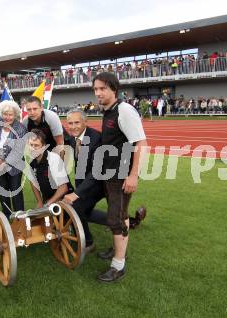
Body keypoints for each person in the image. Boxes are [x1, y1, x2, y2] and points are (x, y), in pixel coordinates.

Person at [63, 108, 146, 252]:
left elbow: (96, 172)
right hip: (91, 181)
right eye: (70, 123)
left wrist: (77, 194)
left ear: (85, 122)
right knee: (84, 211)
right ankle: (131, 222)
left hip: (104, 181)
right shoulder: (73, 138)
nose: (73, 126)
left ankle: (88, 243)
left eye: (77, 122)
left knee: (76, 208)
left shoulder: (95, 139)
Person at [92, 72, 147, 282]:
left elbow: (141, 144)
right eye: (96, 89)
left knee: (115, 219)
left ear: (113, 89)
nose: (98, 93)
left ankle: (118, 265)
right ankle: (117, 249)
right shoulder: (108, 110)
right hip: (110, 174)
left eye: (102, 88)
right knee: (120, 214)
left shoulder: (125, 110)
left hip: (121, 176)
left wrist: (133, 175)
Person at [0, 100, 28, 218]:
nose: (7, 117)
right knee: (3, 192)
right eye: (5, 114)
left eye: (10, 114)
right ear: (1, 114)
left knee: (15, 191)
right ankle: (6, 215)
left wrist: (3, 161)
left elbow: (18, 151)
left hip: (14, 166)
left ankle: (20, 217)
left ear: (15, 114)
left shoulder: (20, 128)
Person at [27, 129, 73, 207]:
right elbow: (33, 182)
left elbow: (63, 188)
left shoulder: (54, 159)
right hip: (49, 200)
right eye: (31, 145)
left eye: (36, 145)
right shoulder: (31, 163)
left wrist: (48, 204)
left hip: (65, 199)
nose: (33, 148)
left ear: (44, 146)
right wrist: (40, 202)